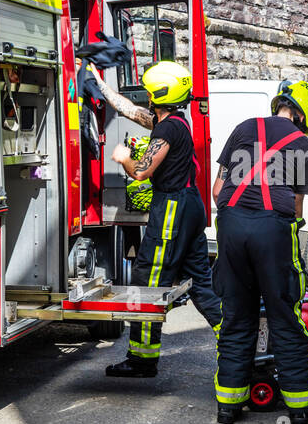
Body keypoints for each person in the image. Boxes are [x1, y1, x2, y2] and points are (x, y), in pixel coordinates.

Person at [93, 60, 222, 376]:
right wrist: (99, 83)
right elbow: (130, 110)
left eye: (149, 90)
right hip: (189, 205)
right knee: (200, 281)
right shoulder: (176, 121)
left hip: (172, 208)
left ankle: (142, 360)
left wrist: (124, 158)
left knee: (148, 278)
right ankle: (235, 341)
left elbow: (141, 172)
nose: (146, 95)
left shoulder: (166, 128)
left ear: (157, 94)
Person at [212, 81, 308, 424]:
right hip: (272, 228)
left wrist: (238, 219)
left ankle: (229, 406)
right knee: (285, 316)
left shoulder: (244, 127)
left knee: (236, 317)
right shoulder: (303, 145)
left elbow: (218, 188)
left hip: (230, 223)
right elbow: (297, 207)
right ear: (304, 116)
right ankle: (300, 409)